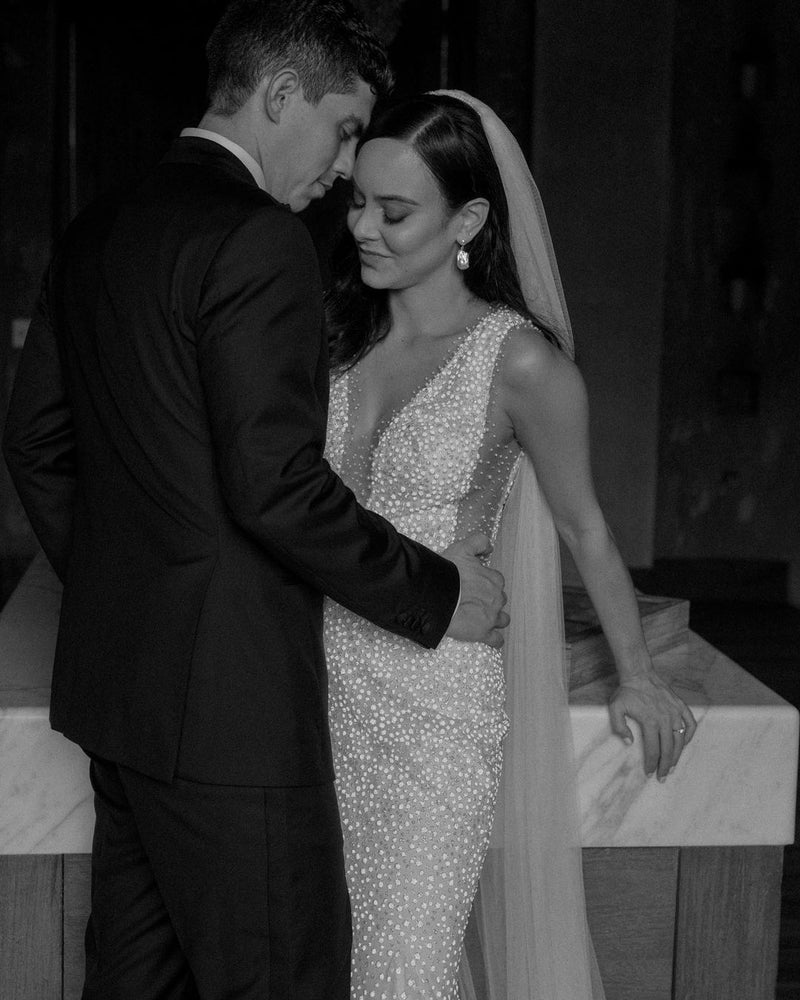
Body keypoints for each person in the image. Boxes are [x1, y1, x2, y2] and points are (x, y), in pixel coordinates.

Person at [1, 7, 509, 998]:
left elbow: (35, 445)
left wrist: (131, 584)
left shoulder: (98, 226)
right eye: (344, 128)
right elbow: (276, 487)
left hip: (121, 697)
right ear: (280, 96)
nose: (344, 164)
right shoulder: (260, 236)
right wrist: (439, 591)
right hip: (234, 715)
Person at [322, 91, 698, 1000]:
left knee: (403, 976)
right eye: (357, 202)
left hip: (434, 711)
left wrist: (638, 675)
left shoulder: (519, 361)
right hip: (313, 693)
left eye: (394, 212)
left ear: (469, 220)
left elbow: (585, 526)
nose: (363, 227)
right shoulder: (331, 336)